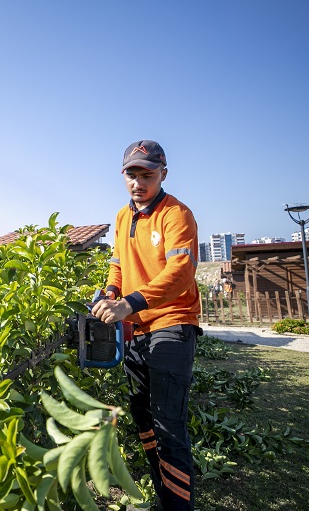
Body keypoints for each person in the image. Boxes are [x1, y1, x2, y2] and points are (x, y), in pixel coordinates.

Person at [91, 140, 200, 511]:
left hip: (172, 323)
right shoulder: (123, 216)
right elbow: (118, 264)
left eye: (147, 175)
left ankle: (177, 506)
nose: (138, 182)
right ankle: (164, 494)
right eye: (132, 175)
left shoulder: (176, 214)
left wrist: (128, 303)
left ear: (162, 175)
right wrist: (109, 292)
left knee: (169, 425)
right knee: (144, 418)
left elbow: (181, 273)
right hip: (137, 330)